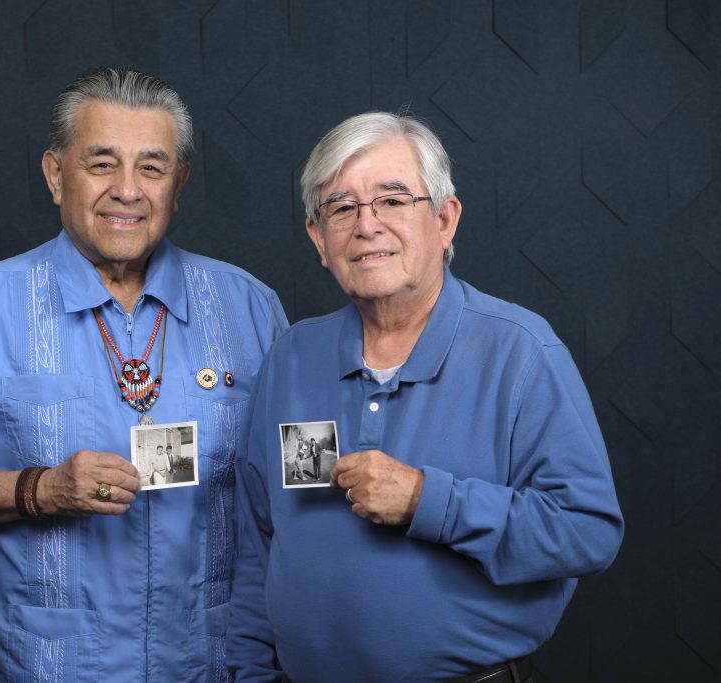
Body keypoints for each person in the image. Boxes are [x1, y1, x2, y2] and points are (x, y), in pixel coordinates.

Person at [0, 66, 288, 682]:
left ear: (179, 183)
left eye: (152, 167)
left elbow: (288, 487)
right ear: (54, 174)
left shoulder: (250, 306)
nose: (128, 190)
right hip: (47, 665)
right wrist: (42, 490)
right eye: (101, 164)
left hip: (210, 662)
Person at [227, 112, 624, 682]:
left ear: (444, 219)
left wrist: (426, 501)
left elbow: (588, 532)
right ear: (319, 239)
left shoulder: (522, 353)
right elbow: (258, 544)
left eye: (392, 200)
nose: (367, 226)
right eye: (341, 208)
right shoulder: (291, 357)